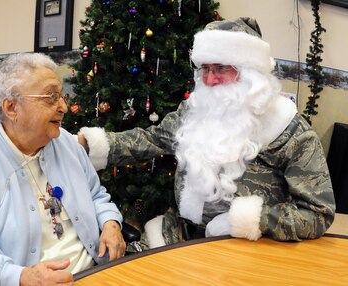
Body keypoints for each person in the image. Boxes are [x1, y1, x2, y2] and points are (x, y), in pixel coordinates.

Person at [77, 17, 335, 248]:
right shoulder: (195, 110)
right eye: (205, 68)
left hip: (247, 250)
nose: (210, 80)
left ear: (251, 74)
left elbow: (317, 212)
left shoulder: (289, 131)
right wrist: (88, 144)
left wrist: (253, 221)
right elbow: (151, 139)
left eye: (221, 68)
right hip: (174, 237)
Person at [0, 53, 125, 286]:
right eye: (51, 97)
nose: (64, 107)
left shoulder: (66, 144)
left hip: (96, 272)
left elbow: (96, 195)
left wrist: (110, 224)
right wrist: (22, 277)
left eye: (61, 96)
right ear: (11, 107)